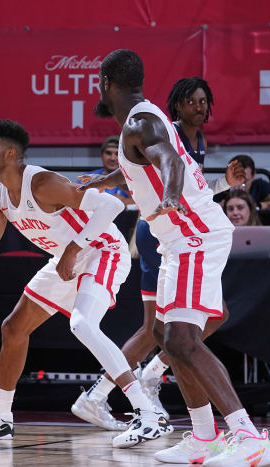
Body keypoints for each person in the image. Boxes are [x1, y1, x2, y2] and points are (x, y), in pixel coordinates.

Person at [85, 49, 268, 465]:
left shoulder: (141, 121)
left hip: (194, 236)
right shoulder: (143, 121)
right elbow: (142, 166)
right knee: (168, 338)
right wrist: (99, 181)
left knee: (183, 339)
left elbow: (168, 162)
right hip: (177, 240)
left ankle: (248, 436)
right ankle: (203, 437)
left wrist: (170, 195)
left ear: (104, 83)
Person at [0, 119, 170, 448]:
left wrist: (71, 250)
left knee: (82, 324)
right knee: (14, 329)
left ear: (10, 153)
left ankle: (147, 413)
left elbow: (110, 204)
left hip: (101, 249)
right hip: (68, 258)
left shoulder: (41, 183)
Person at [83, 136, 134, 205]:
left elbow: (145, 203)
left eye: (117, 154)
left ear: (123, 156)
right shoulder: (88, 178)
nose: (113, 158)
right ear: (101, 155)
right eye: (108, 153)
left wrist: (124, 202)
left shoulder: (132, 178)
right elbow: (77, 200)